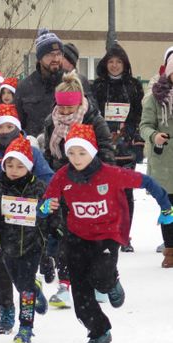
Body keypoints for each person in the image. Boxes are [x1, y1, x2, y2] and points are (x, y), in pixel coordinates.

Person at [39, 123, 173, 343]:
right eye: (71, 153)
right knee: (80, 294)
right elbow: (46, 201)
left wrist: (166, 208)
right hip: (77, 237)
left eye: (82, 152)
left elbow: (147, 182)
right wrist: (45, 207)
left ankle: (112, 282)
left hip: (108, 235)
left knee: (100, 277)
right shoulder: (63, 176)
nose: (76, 158)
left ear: (92, 152)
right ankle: (99, 331)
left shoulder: (111, 174)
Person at [0, 103, 53, 334]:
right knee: (2, 270)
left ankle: (30, 290)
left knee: (25, 270)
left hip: (29, 227)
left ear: (17, 127)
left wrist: (44, 205)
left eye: (9, 126)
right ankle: (6, 312)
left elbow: (48, 180)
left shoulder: (32, 152)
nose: (4, 131)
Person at [43, 70, 115, 308]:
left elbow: (106, 151)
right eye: (61, 108)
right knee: (64, 234)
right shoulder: (50, 121)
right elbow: (48, 155)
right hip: (63, 185)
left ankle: (100, 282)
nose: (64, 113)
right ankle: (65, 283)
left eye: (69, 109)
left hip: (90, 187)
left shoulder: (93, 120)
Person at [0, 136, 50, 343]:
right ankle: (35, 290)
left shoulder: (39, 189)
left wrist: (50, 236)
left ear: (28, 167)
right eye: (9, 165)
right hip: (7, 248)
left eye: (20, 166)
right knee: (21, 286)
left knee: (25, 290)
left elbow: (51, 214)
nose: (14, 170)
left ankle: (25, 328)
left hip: (32, 246)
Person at [92, 43, 144, 252]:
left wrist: (127, 133)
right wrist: (104, 132)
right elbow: (93, 113)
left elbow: (138, 114)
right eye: (111, 61)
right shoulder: (98, 86)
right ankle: (105, 232)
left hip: (125, 145)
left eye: (118, 62)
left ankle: (124, 234)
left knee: (125, 192)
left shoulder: (134, 85)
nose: (114, 66)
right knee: (103, 191)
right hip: (102, 144)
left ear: (125, 64)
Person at [15, 29, 93, 138]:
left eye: (59, 54)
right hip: (35, 149)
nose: (55, 59)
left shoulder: (76, 82)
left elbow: (92, 117)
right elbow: (17, 125)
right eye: (50, 55)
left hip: (71, 148)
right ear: (39, 58)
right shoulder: (25, 87)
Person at [140, 56, 173, 268]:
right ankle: (170, 250)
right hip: (164, 162)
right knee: (168, 208)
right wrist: (154, 136)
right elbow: (144, 125)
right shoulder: (156, 97)